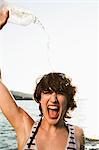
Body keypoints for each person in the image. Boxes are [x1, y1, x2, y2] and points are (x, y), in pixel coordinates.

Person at [0, 10, 85, 150]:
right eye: (47, 92)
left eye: (60, 92)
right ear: (39, 98)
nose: (53, 99)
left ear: (69, 100)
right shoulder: (25, 128)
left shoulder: (77, 134)